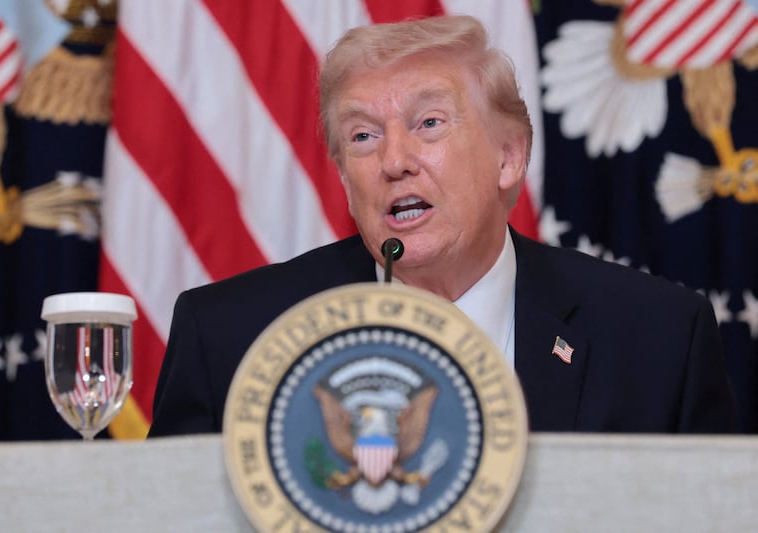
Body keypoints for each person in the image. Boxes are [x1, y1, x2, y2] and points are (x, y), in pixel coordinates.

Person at [148, 15, 737, 436]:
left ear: (509, 157)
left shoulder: (658, 338)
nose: (394, 160)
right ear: (343, 176)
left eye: (428, 123)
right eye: (362, 136)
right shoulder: (229, 337)